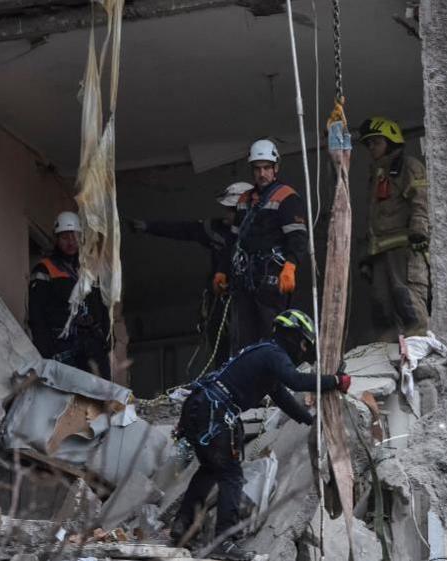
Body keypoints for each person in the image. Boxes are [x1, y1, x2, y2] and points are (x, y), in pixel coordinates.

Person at [170, 309, 350, 560]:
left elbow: (282, 395)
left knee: (210, 470)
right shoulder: (274, 354)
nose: (303, 349)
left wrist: (308, 420)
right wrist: (335, 381)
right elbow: (296, 381)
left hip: (200, 407)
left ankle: (181, 528)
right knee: (231, 476)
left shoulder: (264, 353)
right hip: (214, 411)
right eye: (304, 343)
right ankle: (225, 542)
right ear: (293, 337)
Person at [129, 182, 253, 368]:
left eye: (232, 210)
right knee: (219, 345)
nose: (228, 214)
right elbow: (184, 230)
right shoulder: (215, 230)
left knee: (248, 347)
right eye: (227, 209)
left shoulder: (259, 234)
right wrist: (148, 227)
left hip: (248, 300)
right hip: (219, 299)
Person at [217, 139, 309, 354]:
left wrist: (291, 266)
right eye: (257, 169)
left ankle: (275, 380)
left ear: (276, 168)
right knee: (244, 337)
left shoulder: (286, 197)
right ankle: (249, 382)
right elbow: (233, 241)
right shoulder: (244, 200)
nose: (262, 173)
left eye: (267, 168)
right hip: (245, 278)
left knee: (272, 332)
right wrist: (222, 270)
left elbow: (297, 237)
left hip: (272, 277)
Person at [358, 117, 431, 340]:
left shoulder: (409, 167)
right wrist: (366, 258)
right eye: (369, 144)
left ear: (391, 142)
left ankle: (418, 343)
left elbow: (421, 199)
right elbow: (373, 219)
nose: (372, 148)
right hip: (381, 253)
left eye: (376, 142)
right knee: (381, 303)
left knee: (406, 297)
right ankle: (386, 351)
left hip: (405, 250)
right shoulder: (377, 174)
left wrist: (420, 231)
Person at [28, 211, 111, 378]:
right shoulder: (45, 269)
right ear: (56, 239)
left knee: (100, 394)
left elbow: (101, 306)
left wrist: (106, 337)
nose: (70, 242)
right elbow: (37, 314)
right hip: (62, 346)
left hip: (91, 344)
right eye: (65, 237)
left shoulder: (88, 270)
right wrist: (46, 352)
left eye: (74, 236)